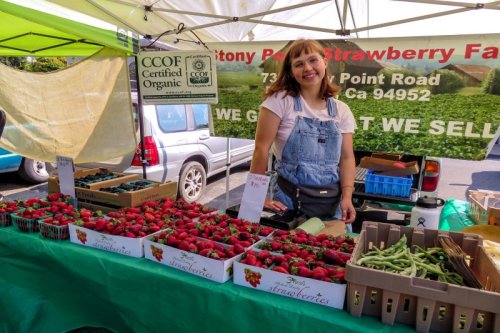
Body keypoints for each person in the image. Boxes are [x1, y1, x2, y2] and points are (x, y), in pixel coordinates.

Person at [250, 39, 357, 224]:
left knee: (333, 250)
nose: (307, 68)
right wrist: (256, 197)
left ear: (324, 62)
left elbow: (347, 158)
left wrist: (347, 196)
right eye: (299, 64)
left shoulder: (341, 110)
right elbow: (261, 150)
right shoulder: (280, 102)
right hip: (289, 200)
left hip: (332, 202)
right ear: (291, 72)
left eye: (313, 60)